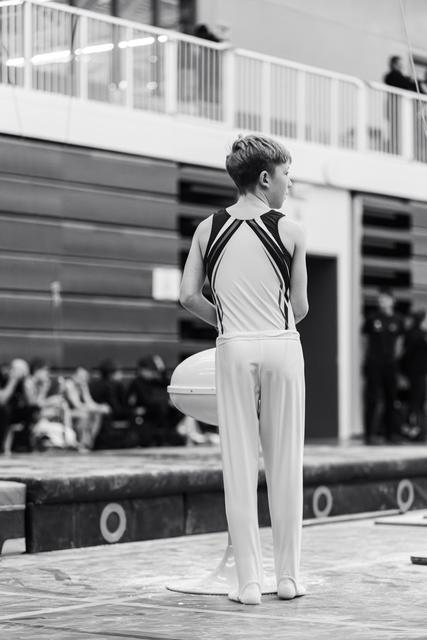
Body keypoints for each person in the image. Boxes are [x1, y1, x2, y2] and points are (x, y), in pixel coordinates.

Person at [179, 134, 308, 605]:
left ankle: (249, 583)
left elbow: (188, 295)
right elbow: (301, 305)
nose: (290, 183)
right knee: (285, 463)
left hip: (232, 347)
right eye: (287, 174)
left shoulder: (206, 229)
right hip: (281, 345)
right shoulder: (291, 231)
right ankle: (289, 578)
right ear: (266, 178)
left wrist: (229, 321)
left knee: (238, 464)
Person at [362, 288, 404, 445]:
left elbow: (400, 343)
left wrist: (394, 360)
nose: (382, 301)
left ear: (392, 301)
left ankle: (391, 434)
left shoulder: (398, 320)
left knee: (391, 398)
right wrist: (367, 359)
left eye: (385, 299)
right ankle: (370, 434)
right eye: (380, 299)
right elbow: (364, 340)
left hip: (390, 364)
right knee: (372, 398)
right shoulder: (372, 319)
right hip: (374, 363)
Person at [127, 355, 186, 447]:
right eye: (150, 371)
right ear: (142, 370)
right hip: (146, 416)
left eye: (154, 371)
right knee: (160, 409)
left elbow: (165, 382)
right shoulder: (137, 383)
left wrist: (161, 367)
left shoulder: (155, 381)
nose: (153, 373)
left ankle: (169, 435)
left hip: (159, 414)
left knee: (177, 409)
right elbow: (147, 400)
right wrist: (166, 402)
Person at [64, 367, 110, 450]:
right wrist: (97, 408)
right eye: (80, 376)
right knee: (85, 415)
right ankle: (81, 443)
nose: (82, 378)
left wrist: (100, 407)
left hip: (77, 412)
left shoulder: (83, 386)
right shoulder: (69, 385)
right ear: (74, 376)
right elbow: (77, 405)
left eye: (84, 377)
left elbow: (89, 401)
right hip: (65, 413)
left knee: (97, 415)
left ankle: (88, 443)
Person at [399, 310, 427, 441]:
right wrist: (402, 374)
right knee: (414, 403)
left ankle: (419, 430)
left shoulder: (422, 335)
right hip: (413, 375)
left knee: (419, 403)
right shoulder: (413, 335)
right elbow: (405, 356)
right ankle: (412, 430)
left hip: (421, 374)